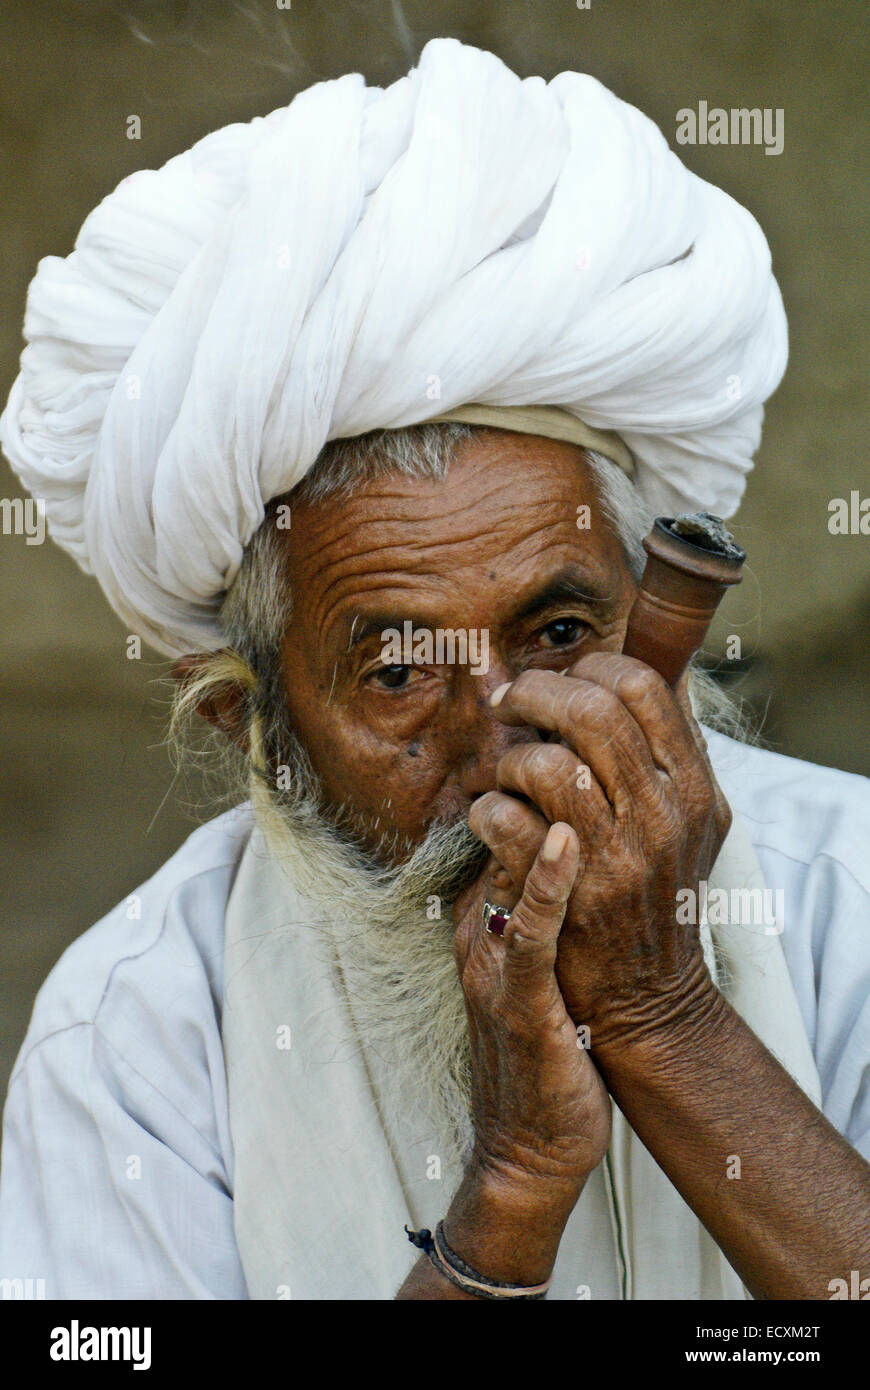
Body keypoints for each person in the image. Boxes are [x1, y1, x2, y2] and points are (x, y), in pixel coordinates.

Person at [1, 38, 868, 1301]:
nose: (505, 749)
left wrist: (665, 1021)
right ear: (263, 732)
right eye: (401, 672)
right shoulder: (138, 1041)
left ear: (652, 624)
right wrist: (511, 1187)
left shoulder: (847, 899)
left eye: (564, 639)